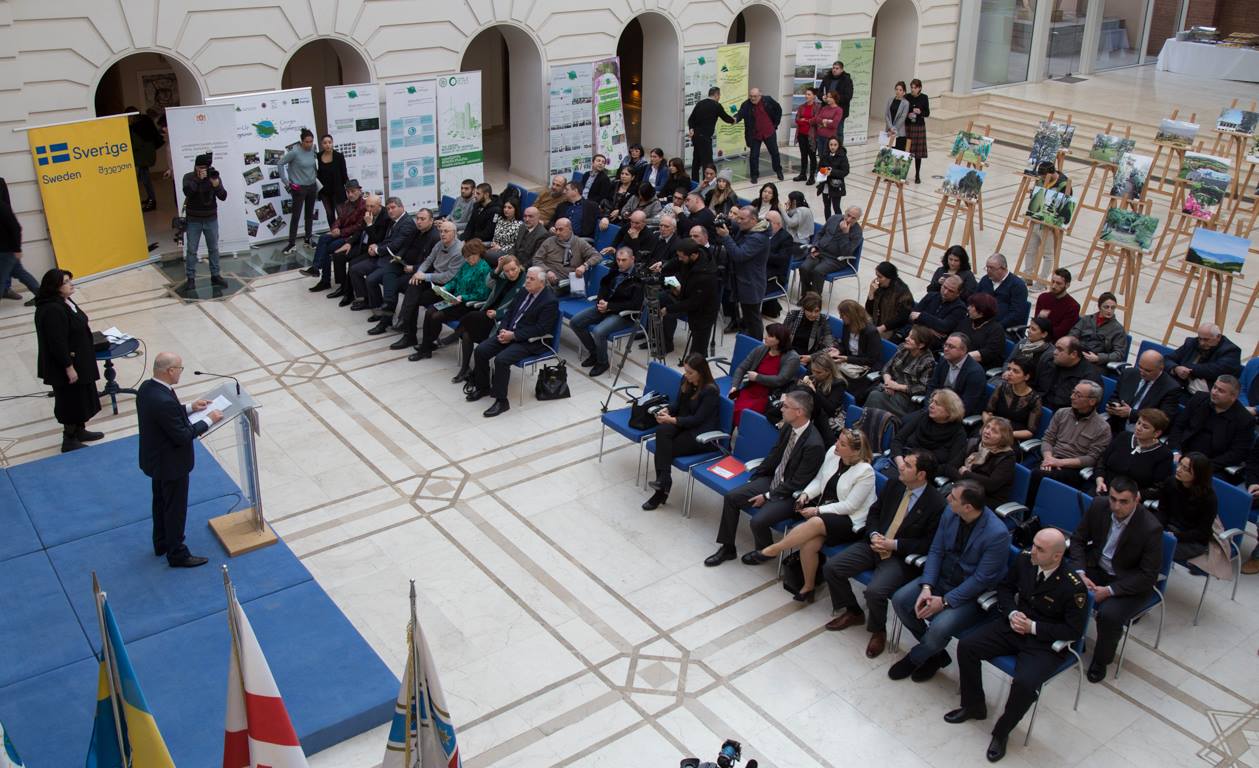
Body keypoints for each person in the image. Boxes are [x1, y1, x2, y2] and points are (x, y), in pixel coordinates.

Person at [949, 528, 1088, 764]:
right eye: (1033, 544)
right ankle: (973, 706)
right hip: (1014, 626)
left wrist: (1033, 627)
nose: (1032, 551)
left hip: (1043, 642)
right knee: (968, 646)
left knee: (1025, 684)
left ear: (1057, 556)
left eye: (1040, 549)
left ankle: (1002, 732)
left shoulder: (1073, 585)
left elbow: (1073, 630)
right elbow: (1005, 588)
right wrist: (1012, 613)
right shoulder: (1026, 560)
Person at [823, 451, 946, 657]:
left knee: (875, 591)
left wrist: (894, 545)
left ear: (921, 475)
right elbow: (875, 512)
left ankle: (878, 630)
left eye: (908, 465)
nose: (901, 466)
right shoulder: (895, 484)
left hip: (899, 557)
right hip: (874, 543)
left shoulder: (936, 504)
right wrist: (873, 534)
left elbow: (928, 544)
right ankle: (853, 611)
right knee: (832, 568)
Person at [889, 480, 1011, 682]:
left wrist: (944, 601)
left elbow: (980, 580)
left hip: (970, 594)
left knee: (939, 628)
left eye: (953, 497)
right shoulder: (950, 512)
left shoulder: (997, 534)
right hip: (942, 578)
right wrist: (927, 586)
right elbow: (936, 550)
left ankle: (916, 657)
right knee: (900, 600)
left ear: (968, 507)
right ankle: (934, 653)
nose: (947, 498)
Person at [704, 390, 826, 566]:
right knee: (732, 497)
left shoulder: (814, 445)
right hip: (773, 480)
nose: (781, 409)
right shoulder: (789, 427)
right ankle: (728, 548)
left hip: (791, 494)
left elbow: (797, 483)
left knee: (757, 521)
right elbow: (774, 455)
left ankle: (765, 551)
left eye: (785, 406)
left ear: (799, 411)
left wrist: (767, 496)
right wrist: (755, 478)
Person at [758, 429, 878, 602]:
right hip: (827, 513)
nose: (836, 444)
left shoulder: (865, 472)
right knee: (809, 545)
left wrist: (818, 510)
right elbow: (820, 480)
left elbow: (850, 506)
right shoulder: (833, 453)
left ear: (855, 451)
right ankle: (808, 586)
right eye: (838, 440)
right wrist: (806, 494)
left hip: (851, 521)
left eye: (842, 444)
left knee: (815, 522)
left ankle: (774, 549)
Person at [1068, 475, 1163, 682]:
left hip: (1128, 581)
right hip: (1097, 566)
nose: (1116, 506)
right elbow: (1078, 540)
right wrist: (1081, 573)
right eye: (1113, 499)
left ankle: (1101, 660)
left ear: (1136, 499)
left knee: (1109, 615)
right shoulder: (1098, 506)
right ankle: (1071, 637)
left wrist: (1109, 591)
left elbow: (1148, 575)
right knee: (1067, 586)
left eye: (1123, 501)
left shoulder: (1151, 528)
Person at [136, 352, 224, 568]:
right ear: (170, 371)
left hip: (156, 459)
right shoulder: (164, 400)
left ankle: (161, 543)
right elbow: (183, 435)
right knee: (175, 509)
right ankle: (177, 553)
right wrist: (208, 420)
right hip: (171, 464)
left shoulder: (147, 388)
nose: (180, 372)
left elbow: (166, 415)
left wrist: (190, 408)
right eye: (180, 369)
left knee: (160, 503)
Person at [467, 266, 558, 417]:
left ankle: (502, 401)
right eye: (527, 277)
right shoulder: (523, 291)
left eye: (531, 279)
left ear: (542, 283)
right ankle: (483, 387)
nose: (527, 281)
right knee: (481, 350)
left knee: (501, 360)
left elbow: (541, 329)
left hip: (530, 341)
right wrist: (502, 330)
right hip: (509, 332)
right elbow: (509, 313)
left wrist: (513, 335)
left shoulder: (550, 301)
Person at [33, 269, 102, 452]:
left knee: (81, 398)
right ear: (55, 287)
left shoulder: (64, 301)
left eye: (70, 280)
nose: (71, 284)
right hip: (66, 365)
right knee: (70, 401)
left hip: (79, 360)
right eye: (66, 282)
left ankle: (80, 430)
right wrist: (68, 367)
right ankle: (69, 439)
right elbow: (57, 342)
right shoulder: (52, 309)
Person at [643, 354, 722, 510]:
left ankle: (661, 491)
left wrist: (672, 420)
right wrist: (667, 410)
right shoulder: (686, 381)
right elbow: (678, 404)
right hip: (684, 423)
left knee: (663, 448)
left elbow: (697, 419)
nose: (686, 375)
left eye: (690, 372)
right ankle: (664, 480)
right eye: (685, 371)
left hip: (699, 434)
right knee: (662, 431)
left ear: (701, 372)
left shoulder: (710, 391)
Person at [1026, 381, 1110, 507]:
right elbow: (1048, 438)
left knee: (1038, 474)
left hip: (1073, 467)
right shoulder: (1062, 413)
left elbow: (1091, 458)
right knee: (1030, 472)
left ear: (1092, 401)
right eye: (1073, 392)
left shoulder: (1102, 427)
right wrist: (1048, 458)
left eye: (1078, 395)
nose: (1072, 397)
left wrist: (1059, 462)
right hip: (1051, 458)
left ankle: (1030, 509)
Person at [380, 217, 462, 341]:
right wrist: (418, 273)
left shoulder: (459, 251)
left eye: (446, 231)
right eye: (441, 231)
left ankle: (408, 329)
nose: (442, 234)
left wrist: (424, 276)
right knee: (413, 285)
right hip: (434, 280)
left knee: (414, 297)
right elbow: (428, 260)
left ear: (454, 233)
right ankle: (406, 328)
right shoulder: (440, 244)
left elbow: (448, 276)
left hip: (446, 287)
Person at [410, 238, 490, 360]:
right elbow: (455, 280)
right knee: (430, 311)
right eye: (466, 257)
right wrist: (445, 288)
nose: (468, 259)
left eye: (470, 256)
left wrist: (463, 297)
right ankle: (427, 345)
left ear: (478, 253)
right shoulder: (466, 265)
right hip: (454, 300)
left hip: (466, 305)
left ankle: (426, 347)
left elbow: (482, 294)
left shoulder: (484, 269)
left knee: (436, 316)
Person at [450, 255, 525, 384]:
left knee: (472, 316)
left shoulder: (524, 283)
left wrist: (498, 313)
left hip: (500, 321)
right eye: (507, 271)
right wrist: (498, 269)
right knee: (467, 334)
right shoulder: (503, 277)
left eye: (513, 269)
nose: (511, 273)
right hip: (488, 314)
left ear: (519, 266)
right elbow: (488, 283)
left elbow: (518, 309)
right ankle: (465, 368)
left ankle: (454, 336)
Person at [571, 247, 643, 377]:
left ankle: (602, 362)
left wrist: (609, 306)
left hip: (624, 314)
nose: (620, 263)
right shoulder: (615, 269)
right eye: (618, 260)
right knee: (575, 322)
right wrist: (601, 300)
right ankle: (595, 353)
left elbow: (635, 304)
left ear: (632, 259)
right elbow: (604, 286)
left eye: (624, 260)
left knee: (599, 331)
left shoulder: (639, 277)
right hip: (605, 306)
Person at [1167, 375, 1252, 473]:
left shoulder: (1245, 420)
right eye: (1214, 387)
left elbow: (1237, 453)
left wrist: (1204, 466)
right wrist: (1175, 451)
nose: (1214, 392)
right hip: (1182, 452)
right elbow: (1178, 426)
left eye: (1221, 391)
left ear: (1233, 397)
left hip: (1211, 464)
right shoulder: (1199, 398)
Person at [359, 197, 419, 322]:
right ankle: (378, 310)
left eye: (393, 208)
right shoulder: (394, 221)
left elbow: (395, 245)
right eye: (388, 209)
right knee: (364, 274)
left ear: (402, 207)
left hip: (397, 261)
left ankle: (383, 314)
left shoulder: (407, 223)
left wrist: (377, 250)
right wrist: (377, 246)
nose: (390, 211)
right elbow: (388, 240)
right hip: (387, 257)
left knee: (371, 279)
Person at [658, 238, 720, 357]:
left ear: (693, 255)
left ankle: (698, 366)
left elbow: (693, 302)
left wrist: (668, 309)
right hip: (689, 298)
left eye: (682, 257)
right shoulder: (690, 257)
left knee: (698, 351)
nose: (680, 259)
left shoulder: (705, 276)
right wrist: (663, 266)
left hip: (704, 312)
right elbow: (677, 262)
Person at [729, 323, 800, 426]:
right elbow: (741, 368)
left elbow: (780, 380)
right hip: (750, 389)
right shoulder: (761, 349)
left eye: (770, 336)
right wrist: (734, 387)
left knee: (744, 414)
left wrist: (757, 377)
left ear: (779, 340)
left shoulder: (792, 358)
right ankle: (727, 434)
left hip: (769, 396)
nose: (765, 337)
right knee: (729, 406)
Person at [1095, 410, 1174, 500]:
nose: (1138, 428)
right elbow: (1102, 461)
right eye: (1138, 423)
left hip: (1130, 499)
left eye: (1145, 427)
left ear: (1157, 433)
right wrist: (1099, 480)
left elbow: (1158, 488)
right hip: (1104, 488)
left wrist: (1137, 495)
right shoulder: (1123, 436)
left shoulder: (1164, 455)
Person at [718, 205, 770, 340]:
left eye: (742, 219)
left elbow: (739, 255)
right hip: (742, 280)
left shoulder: (758, 238)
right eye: (738, 218)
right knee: (747, 318)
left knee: (752, 319)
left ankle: (756, 344)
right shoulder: (748, 227)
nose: (738, 221)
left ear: (753, 220)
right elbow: (735, 224)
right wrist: (725, 220)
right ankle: (748, 338)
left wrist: (726, 237)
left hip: (751, 284)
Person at [1154, 453, 1218, 561]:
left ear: (1198, 474)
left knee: (1155, 550)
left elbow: (1202, 532)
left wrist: (1176, 536)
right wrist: (1157, 527)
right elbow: (1163, 510)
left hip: (1191, 540)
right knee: (1142, 537)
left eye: (1186, 469)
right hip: (1169, 528)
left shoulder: (1208, 499)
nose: (1178, 470)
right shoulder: (1171, 482)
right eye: (1180, 464)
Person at [305, 179, 366, 291]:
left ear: (359, 190)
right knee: (323, 238)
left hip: (352, 238)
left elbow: (359, 226)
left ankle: (323, 278)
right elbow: (339, 219)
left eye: (353, 191)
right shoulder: (347, 204)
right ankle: (316, 269)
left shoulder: (364, 206)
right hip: (342, 234)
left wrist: (340, 232)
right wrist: (335, 228)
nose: (350, 194)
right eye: (348, 192)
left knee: (326, 248)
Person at [863, 325, 937, 417]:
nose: (906, 338)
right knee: (870, 392)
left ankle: (865, 421)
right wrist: (888, 383)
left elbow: (922, 388)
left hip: (907, 398)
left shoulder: (928, 362)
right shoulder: (903, 348)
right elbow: (887, 368)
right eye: (908, 335)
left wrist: (897, 387)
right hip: (889, 387)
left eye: (911, 338)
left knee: (875, 396)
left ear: (921, 345)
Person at [181, 152, 229, 291]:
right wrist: (197, 179)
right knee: (191, 250)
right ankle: (190, 278)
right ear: (195, 166)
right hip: (193, 220)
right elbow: (187, 192)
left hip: (211, 219)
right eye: (200, 167)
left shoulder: (213, 176)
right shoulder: (188, 177)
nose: (202, 170)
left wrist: (217, 185)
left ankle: (215, 275)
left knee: (213, 248)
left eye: (205, 167)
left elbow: (223, 196)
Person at [891, 390, 969, 474]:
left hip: (925, 475)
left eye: (937, 404)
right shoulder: (923, 417)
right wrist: (901, 464)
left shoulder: (959, 434)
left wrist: (917, 472)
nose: (931, 405)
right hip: (901, 463)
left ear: (950, 410)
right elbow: (897, 440)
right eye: (932, 401)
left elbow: (950, 467)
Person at [1022, 161, 1072, 288]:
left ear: (1051, 173)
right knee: (1030, 249)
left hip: (1050, 226)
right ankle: (1027, 276)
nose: (1042, 179)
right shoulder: (1040, 180)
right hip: (1036, 220)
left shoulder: (1064, 184)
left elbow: (1065, 205)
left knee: (1048, 254)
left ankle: (1042, 281)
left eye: (1044, 176)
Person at [1105, 349, 1181, 433]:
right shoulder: (1129, 373)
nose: (1142, 372)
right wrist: (1115, 405)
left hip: (1143, 432)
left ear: (1161, 368)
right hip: (1116, 424)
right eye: (1140, 367)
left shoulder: (1171, 388)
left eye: (1148, 370)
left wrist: (1131, 413)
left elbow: (1163, 419)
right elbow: (1116, 396)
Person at [952, 417, 1018, 506]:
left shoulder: (1007, 458)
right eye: (987, 427)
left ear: (1003, 438)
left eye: (994, 431)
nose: (987, 432)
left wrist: (966, 474)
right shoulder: (974, 443)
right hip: (965, 488)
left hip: (987, 498)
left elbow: (991, 485)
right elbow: (953, 466)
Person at [797, 205, 862, 295]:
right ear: (845, 213)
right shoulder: (834, 218)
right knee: (804, 268)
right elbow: (820, 233)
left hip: (835, 259)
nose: (849, 219)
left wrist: (845, 234)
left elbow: (846, 252)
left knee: (818, 271)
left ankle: (815, 299)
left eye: (853, 218)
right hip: (819, 251)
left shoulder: (857, 232)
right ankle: (807, 296)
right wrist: (815, 246)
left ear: (858, 219)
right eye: (848, 215)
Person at [1164, 322, 1243, 397]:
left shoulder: (1231, 351)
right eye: (1200, 339)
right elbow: (1167, 359)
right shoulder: (1191, 343)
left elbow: (1214, 370)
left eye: (1206, 340)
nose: (1202, 343)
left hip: (1209, 389)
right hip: (1183, 384)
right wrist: (1176, 368)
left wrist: (1187, 368)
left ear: (1218, 337)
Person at [788, 353, 848, 445]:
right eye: (813, 371)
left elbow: (830, 409)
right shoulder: (812, 374)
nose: (815, 374)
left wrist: (814, 391)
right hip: (810, 410)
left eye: (819, 372)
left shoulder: (838, 384)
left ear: (829, 371)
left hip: (826, 418)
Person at [276, 128, 319, 255]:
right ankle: (291, 243)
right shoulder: (294, 152)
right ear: (301, 142)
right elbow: (280, 163)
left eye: (311, 141)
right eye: (307, 142)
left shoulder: (313, 150)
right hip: (299, 189)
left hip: (312, 186)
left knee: (309, 214)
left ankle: (308, 239)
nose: (309, 144)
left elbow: (313, 165)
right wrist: (286, 182)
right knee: (296, 216)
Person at [925, 333, 987, 416]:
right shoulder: (943, 361)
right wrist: (928, 408)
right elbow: (932, 386)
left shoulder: (975, 373)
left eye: (951, 347)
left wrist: (943, 414)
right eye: (945, 345)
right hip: (935, 409)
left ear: (964, 351)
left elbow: (967, 405)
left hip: (954, 415)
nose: (945, 349)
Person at [533, 218, 601, 293]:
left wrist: (584, 266)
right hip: (546, 276)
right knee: (531, 281)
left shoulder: (580, 243)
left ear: (570, 229)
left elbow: (597, 256)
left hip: (565, 282)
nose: (557, 233)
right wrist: (547, 271)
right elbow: (536, 259)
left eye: (561, 229)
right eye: (556, 229)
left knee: (537, 288)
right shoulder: (549, 241)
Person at [1035, 335, 1102, 411]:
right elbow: (1038, 387)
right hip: (1040, 405)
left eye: (1060, 350)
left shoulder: (1090, 378)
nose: (1054, 352)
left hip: (1065, 413)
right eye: (1055, 348)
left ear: (1073, 354)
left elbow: (1085, 409)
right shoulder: (1050, 360)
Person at [0, 177, 39, 305]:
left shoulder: (3, 207)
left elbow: (16, 228)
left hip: (6, 251)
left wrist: (17, 249)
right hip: (7, 251)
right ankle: (41, 295)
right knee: (21, 273)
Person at [733, 87, 784, 184]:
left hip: (769, 131)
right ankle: (754, 175)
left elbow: (778, 109)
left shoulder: (768, 100)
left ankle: (778, 170)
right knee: (753, 156)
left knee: (774, 153)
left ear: (760, 95)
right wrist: (735, 119)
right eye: (751, 96)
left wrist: (775, 124)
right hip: (755, 134)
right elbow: (740, 114)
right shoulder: (746, 104)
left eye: (755, 96)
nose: (753, 98)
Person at [984, 358, 1043, 440]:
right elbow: (987, 411)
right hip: (992, 429)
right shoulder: (1002, 387)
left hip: (1011, 436)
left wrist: (1004, 434)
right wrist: (989, 426)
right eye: (1009, 369)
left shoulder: (1034, 399)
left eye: (1015, 371)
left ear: (1026, 377)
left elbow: (1030, 432)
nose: (1009, 373)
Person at [687, 87, 736, 181]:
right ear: (716, 95)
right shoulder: (716, 105)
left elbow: (691, 119)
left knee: (696, 161)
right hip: (705, 138)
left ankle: (694, 182)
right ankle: (707, 183)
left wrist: (691, 129)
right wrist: (733, 120)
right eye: (719, 95)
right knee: (707, 163)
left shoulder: (700, 103)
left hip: (696, 137)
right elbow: (725, 117)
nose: (719, 97)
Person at [1068, 292, 1128, 367]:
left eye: (1112, 308)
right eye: (1106, 307)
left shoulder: (1118, 329)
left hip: (1097, 363)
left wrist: (1099, 358)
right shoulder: (1087, 319)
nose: (1109, 310)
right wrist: (1074, 348)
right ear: (1099, 307)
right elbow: (1072, 334)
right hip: (1078, 354)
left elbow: (1119, 354)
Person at [975, 253, 1029, 330]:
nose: (988, 271)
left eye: (992, 268)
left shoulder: (1018, 286)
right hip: (981, 322)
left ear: (1003, 268)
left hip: (1002, 328)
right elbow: (975, 299)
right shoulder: (985, 280)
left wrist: (997, 327)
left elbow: (1016, 313)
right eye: (987, 268)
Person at [911, 274, 967, 346]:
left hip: (932, 344)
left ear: (958, 293)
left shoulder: (960, 308)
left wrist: (921, 316)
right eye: (945, 287)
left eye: (951, 291)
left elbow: (944, 327)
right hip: (913, 334)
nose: (945, 292)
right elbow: (912, 316)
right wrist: (930, 330)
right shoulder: (931, 295)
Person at [832, 299, 881, 380]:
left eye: (842, 315)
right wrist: (838, 350)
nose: (840, 317)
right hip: (849, 361)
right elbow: (844, 344)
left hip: (863, 366)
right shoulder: (847, 326)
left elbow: (871, 360)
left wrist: (847, 359)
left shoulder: (871, 332)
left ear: (852, 316)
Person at [865, 261, 914, 339]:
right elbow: (869, 310)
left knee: (870, 337)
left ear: (889, 277)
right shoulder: (878, 285)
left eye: (880, 277)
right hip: (877, 321)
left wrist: (882, 328)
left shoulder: (902, 292)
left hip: (891, 327)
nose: (877, 280)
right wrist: (871, 293)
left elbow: (902, 317)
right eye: (876, 276)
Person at [957, 293, 1006, 372]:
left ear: (981, 311)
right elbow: (955, 337)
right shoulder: (967, 321)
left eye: (972, 306)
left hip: (981, 367)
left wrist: (960, 357)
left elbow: (988, 353)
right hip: (960, 360)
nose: (968, 308)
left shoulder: (996, 330)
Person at [782, 292, 833, 366]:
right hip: (789, 351)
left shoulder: (823, 320)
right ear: (803, 309)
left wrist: (812, 357)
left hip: (809, 356)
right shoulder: (793, 315)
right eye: (810, 311)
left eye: (817, 311)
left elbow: (829, 346)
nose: (813, 314)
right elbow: (781, 335)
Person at [127, 109, 163, 211]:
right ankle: (150, 199)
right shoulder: (145, 122)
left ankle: (152, 201)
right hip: (148, 154)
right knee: (144, 178)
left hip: (142, 157)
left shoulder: (135, 127)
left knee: (146, 180)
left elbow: (136, 144)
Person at [1033, 268, 1080, 340]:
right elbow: (1035, 323)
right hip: (1036, 337)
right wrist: (1039, 318)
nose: (1053, 286)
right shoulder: (1043, 297)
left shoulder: (1073, 306)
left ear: (1067, 285)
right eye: (1053, 282)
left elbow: (1061, 332)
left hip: (1053, 342)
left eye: (1058, 283)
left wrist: (1042, 323)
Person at [315, 133, 349, 226]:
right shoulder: (318, 157)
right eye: (325, 143)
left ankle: (343, 232)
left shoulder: (339, 156)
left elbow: (344, 174)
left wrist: (348, 189)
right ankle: (333, 231)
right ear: (322, 144)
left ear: (332, 143)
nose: (327, 145)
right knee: (329, 214)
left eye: (329, 142)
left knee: (341, 214)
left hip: (337, 190)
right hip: (324, 191)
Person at [815, 135, 849, 220]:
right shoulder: (825, 155)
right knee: (826, 206)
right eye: (831, 145)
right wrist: (823, 170)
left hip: (836, 185)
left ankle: (839, 223)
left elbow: (845, 171)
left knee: (836, 206)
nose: (833, 147)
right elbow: (819, 167)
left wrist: (832, 172)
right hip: (825, 185)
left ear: (838, 145)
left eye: (835, 145)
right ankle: (828, 223)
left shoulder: (842, 156)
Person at [818, 61, 854, 140]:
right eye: (833, 68)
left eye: (837, 68)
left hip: (840, 110)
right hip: (826, 110)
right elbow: (819, 91)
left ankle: (839, 147)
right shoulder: (827, 78)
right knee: (824, 131)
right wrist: (822, 97)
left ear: (842, 70)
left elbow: (848, 96)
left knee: (838, 132)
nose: (834, 70)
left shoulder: (847, 80)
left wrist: (834, 100)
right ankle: (826, 146)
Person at [905, 79, 930, 183]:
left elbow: (927, 113)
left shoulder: (924, 97)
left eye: (915, 88)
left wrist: (920, 112)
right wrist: (908, 114)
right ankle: (903, 172)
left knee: (918, 153)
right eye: (911, 87)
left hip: (919, 126)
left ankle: (917, 175)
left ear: (919, 88)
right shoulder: (907, 97)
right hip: (908, 126)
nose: (913, 89)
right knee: (906, 150)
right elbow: (903, 110)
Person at [793, 87, 821, 182]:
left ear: (814, 96)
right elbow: (797, 119)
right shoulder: (801, 106)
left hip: (811, 136)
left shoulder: (817, 107)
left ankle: (812, 176)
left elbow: (816, 120)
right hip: (801, 134)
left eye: (809, 94)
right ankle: (803, 174)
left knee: (812, 156)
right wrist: (807, 121)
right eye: (806, 94)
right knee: (803, 155)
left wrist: (805, 120)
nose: (806, 96)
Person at [485, 198, 524, 265]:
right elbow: (495, 235)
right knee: (476, 246)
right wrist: (494, 243)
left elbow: (516, 245)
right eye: (505, 207)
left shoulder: (520, 225)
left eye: (509, 208)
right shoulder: (500, 219)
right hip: (494, 245)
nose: (506, 209)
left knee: (485, 254)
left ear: (516, 209)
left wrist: (500, 248)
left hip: (506, 251)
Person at [812, 91, 844, 163]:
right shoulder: (824, 108)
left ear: (835, 99)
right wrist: (825, 121)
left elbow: (834, 124)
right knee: (821, 156)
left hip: (829, 137)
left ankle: (827, 169)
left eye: (830, 97)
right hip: (820, 136)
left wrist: (823, 123)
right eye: (827, 97)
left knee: (827, 157)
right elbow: (817, 119)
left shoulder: (839, 110)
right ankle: (821, 169)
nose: (828, 99)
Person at [884, 81, 909, 151]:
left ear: (904, 92)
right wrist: (890, 128)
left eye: (900, 90)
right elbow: (886, 115)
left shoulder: (906, 103)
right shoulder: (890, 100)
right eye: (897, 89)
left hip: (899, 133)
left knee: (897, 155)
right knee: (887, 154)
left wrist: (893, 130)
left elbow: (902, 118)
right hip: (889, 131)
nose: (898, 91)